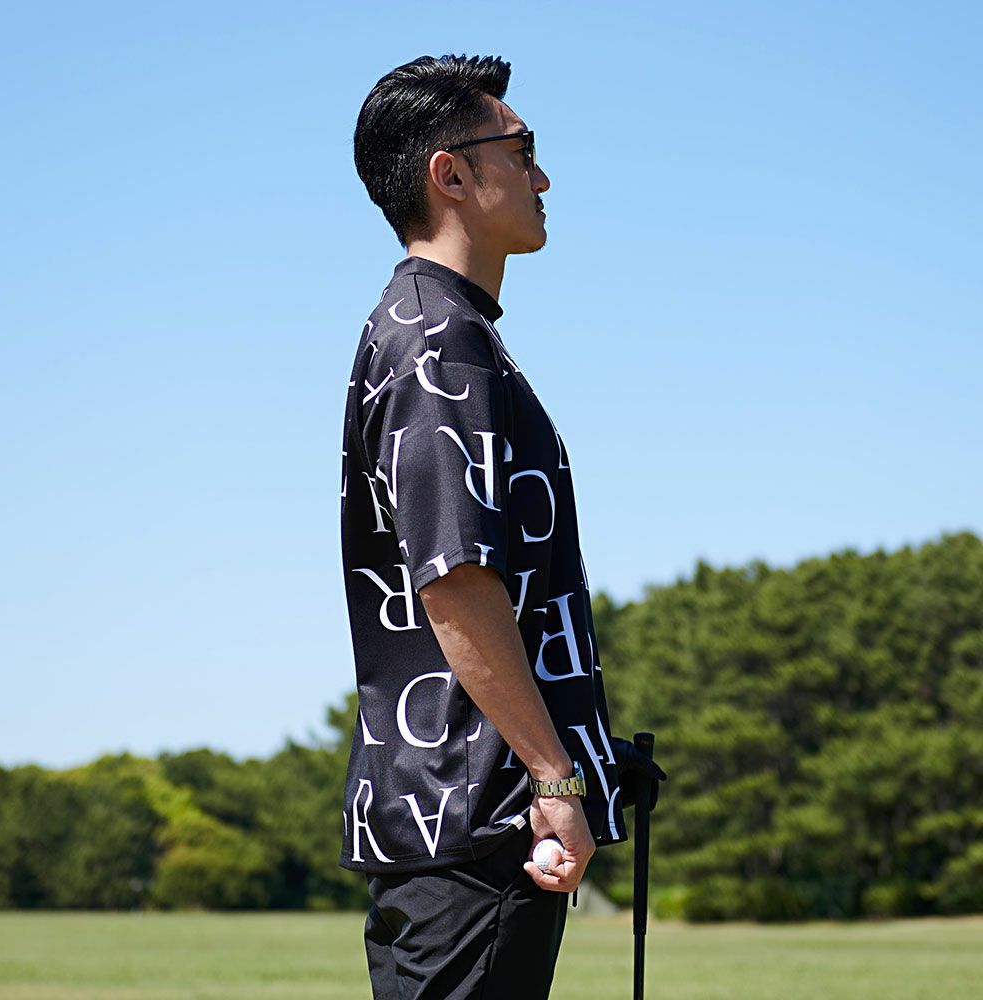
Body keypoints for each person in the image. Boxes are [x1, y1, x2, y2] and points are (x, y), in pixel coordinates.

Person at [338, 53, 665, 999]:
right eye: (522, 151)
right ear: (450, 173)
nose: (542, 176)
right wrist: (554, 778)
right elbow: (457, 583)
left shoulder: (443, 330)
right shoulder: (437, 341)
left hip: (469, 825)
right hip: (481, 830)